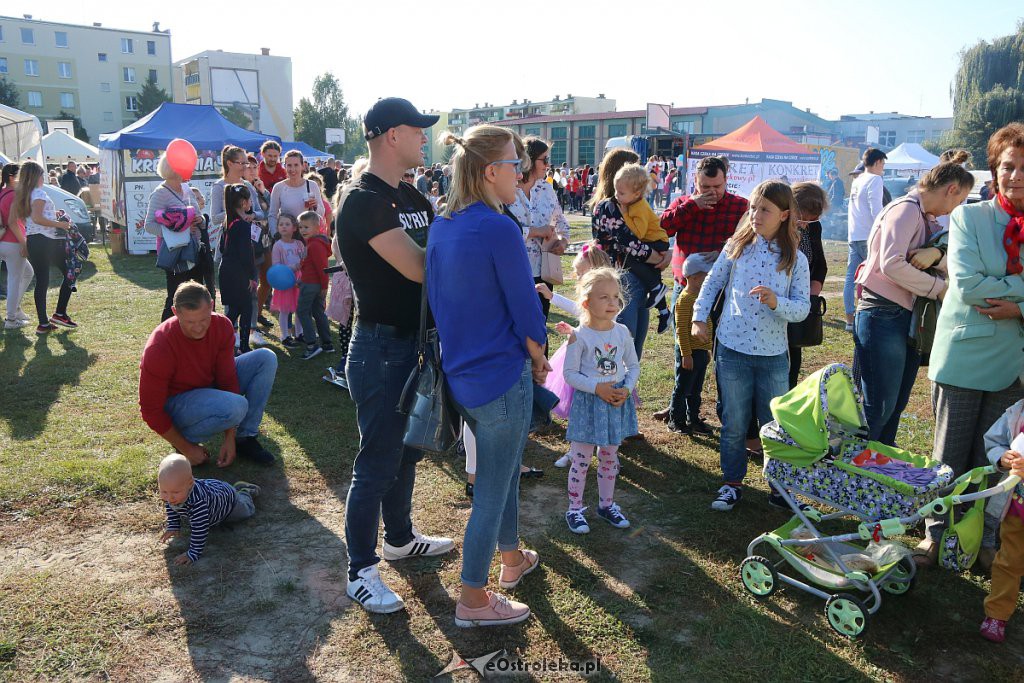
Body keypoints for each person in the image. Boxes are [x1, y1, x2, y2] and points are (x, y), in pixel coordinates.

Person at [427, 124, 549, 628]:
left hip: (462, 375)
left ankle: (512, 558)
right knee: (494, 486)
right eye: (515, 163)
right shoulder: (497, 227)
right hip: (499, 375)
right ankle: (473, 598)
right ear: (488, 170)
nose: (520, 172)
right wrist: (540, 356)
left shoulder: (444, 222)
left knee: (501, 473)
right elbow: (525, 307)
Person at [337, 97, 453, 615]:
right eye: (416, 129)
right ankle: (360, 569)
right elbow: (420, 266)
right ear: (390, 136)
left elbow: (441, 249)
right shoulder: (363, 201)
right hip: (380, 348)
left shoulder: (410, 193)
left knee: (406, 450)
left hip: (414, 343)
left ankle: (400, 539)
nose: (424, 137)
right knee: (378, 460)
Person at [919, 123, 1024, 569]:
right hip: (965, 357)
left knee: (996, 461)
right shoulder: (969, 217)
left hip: (1015, 364)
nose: (1016, 175)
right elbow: (968, 285)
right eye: (1008, 166)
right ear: (994, 171)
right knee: (950, 458)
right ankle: (933, 536)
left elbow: (995, 290)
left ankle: (981, 541)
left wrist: (1017, 305)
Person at [692, 180, 810, 512]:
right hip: (732, 350)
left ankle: (780, 488)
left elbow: (801, 309)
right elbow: (713, 281)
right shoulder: (738, 246)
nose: (756, 215)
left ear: (784, 215)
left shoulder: (795, 260)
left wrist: (777, 303)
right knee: (734, 421)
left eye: (765, 210)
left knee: (775, 426)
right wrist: (699, 317)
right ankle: (731, 483)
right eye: (753, 207)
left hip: (773, 356)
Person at [854, 163, 973, 446]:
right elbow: (891, 264)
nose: (957, 207)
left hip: (898, 315)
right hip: (883, 312)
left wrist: (936, 257)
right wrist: (939, 290)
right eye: (959, 200)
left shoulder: (920, 215)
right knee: (878, 405)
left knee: (894, 403)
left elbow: (946, 261)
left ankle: (879, 464)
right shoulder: (906, 210)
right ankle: (854, 468)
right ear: (951, 189)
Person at [653, 155, 749, 424]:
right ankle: (678, 406)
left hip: (723, 292)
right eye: (706, 187)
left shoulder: (740, 206)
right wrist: (692, 206)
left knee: (718, 350)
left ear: (726, 180)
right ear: (695, 181)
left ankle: (720, 408)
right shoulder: (684, 203)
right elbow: (663, 227)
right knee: (682, 347)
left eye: (717, 187)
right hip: (685, 288)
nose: (712, 193)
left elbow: (751, 240)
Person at [139, 281, 277, 466]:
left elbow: (227, 378)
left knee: (266, 358)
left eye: (204, 319)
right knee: (237, 405)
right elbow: (150, 410)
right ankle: (185, 437)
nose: (198, 328)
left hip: (208, 388)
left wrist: (230, 436)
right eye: (189, 322)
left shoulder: (222, 326)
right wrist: (187, 447)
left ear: (211, 306)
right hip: (179, 403)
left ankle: (245, 438)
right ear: (175, 312)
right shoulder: (159, 346)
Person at [561, 267, 639, 534]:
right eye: (604, 297)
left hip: (615, 404)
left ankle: (606, 505)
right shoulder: (578, 335)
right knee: (580, 460)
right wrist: (597, 388)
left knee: (609, 458)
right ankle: (574, 509)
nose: (613, 303)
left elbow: (633, 366)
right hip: (589, 405)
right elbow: (569, 374)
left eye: (616, 297)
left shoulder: (622, 332)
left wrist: (626, 389)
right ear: (586, 303)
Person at [591, 148, 667, 359]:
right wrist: (658, 257)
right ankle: (619, 389)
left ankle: (628, 390)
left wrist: (664, 252)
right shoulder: (608, 206)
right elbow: (630, 242)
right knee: (623, 344)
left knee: (635, 345)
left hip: (635, 277)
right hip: (619, 279)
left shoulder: (631, 205)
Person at [209, 146, 269, 345]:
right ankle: (231, 333)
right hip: (231, 248)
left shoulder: (248, 186)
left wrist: (250, 216)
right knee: (232, 293)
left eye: (247, 163)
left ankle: (251, 329)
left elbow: (260, 213)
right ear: (229, 164)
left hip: (250, 246)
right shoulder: (219, 187)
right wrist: (235, 214)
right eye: (242, 163)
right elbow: (215, 217)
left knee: (251, 288)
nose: (246, 166)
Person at [507, 136, 570, 321]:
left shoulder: (547, 190)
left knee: (540, 328)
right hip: (513, 272)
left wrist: (563, 243)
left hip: (543, 274)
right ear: (529, 160)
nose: (548, 165)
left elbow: (562, 224)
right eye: (545, 160)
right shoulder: (508, 189)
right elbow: (503, 231)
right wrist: (536, 231)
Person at [157, 453, 260, 565]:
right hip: (213, 493)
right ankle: (236, 492)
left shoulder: (198, 503)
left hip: (228, 502)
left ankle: (244, 491)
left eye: (175, 492)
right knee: (175, 501)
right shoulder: (173, 494)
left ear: (190, 484)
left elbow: (200, 529)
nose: (169, 497)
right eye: (164, 491)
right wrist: (173, 525)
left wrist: (193, 553)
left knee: (246, 512)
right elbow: (171, 507)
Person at [11, 161, 76, 333]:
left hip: (35, 240)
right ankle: (59, 313)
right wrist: (59, 224)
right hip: (46, 240)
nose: (43, 177)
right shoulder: (38, 193)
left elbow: (31, 219)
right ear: (36, 176)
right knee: (71, 271)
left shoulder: (26, 194)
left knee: (42, 281)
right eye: (41, 174)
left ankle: (44, 322)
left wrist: (53, 216)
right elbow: (38, 218)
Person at [979, 401, 1024, 643]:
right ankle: (997, 614)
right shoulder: (1016, 414)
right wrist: (1002, 457)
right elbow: (995, 441)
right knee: (1009, 562)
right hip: (1018, 511)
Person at [143, 154, 205, 322]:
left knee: (198, 294)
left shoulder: (187, 189)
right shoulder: (160, 193)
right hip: (175, 254)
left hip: (194, 250)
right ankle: (165, 334)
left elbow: (200, 218)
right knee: (176, 297)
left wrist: (200, 220)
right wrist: (177, 231)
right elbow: (149, 225)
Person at [613, 163, 672, 333]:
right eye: (616, 191)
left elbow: (637, 233)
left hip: (656, 241)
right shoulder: (634, 202)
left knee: (631, 260)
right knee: (651, 275)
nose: (617, 196)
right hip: (652, 241)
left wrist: (623, 214)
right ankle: (663, 311)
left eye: (621, 193)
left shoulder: (638, 207)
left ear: (637, 193)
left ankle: (657, 289)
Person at [668, 253, 715, 434]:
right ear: (694, 278)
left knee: (696, 389)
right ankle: (676, 420)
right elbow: (681, 330)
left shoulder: (701, 298)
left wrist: (707, 349)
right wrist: (686, 355)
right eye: (705, 277)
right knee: (682, 388)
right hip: (690, 354)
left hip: (700, 352)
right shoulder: (685, 300)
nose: (708, 280)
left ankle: (693, 418)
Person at [789, 182, 830, 388]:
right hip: (777, 298)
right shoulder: (776, 224)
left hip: (800, 299)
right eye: (803, 219)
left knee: (794, 356)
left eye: (812, 221)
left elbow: (820, 265)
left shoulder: (814, 227)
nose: (806, 224)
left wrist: (812, 297)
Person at [844, 148, 887, 331]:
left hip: (854, 234)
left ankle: (849, 319)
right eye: (883, 165)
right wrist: (884, 230)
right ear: (877, 162)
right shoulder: (875, 179)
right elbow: (876, 209)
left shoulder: (858, 179)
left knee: (850, 278)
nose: (883, 169)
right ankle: (868, 315)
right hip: (869, 235)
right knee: (873, 278)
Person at [218, 184, 259, 355]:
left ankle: (220, 340)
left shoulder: (228, 222)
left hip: (227, 270)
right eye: (249, 200)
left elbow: (222, 248)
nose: (251, 203)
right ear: (243, 203)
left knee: (235, 308)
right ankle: (243, 346)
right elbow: (245, 253)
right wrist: (251, 276)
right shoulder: (242, 226)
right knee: (246, 308)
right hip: (239, 272)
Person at [296, 210, 334, 359]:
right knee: (318, 311)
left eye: (306, 227)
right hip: (311, 283)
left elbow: (322, 268)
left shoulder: (315, 245)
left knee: (302, 312)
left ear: (317, 228)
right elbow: (311, 266)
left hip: (312, 285)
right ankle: (327, 343)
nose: (302, 230)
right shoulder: (313, 243)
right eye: (300, 227)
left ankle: (312, 344)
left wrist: (324, 287)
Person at [0, 162, 33, 329]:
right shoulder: (14, 195)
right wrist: (23, 243)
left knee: (28, 273)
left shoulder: (2, 192)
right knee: (14, 280)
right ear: (13, 177)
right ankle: (11, 319)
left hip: (3, 242)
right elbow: (13, 222)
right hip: (13, 242)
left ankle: (16, 310)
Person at [268, 151, 324, 238]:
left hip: (307, 237)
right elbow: (272, 215)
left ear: (302, 166)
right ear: (285, 167)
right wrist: (275, 235)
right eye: (289, 165)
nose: (292, 169)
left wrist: (316, 205)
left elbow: (321, 214)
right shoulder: (278, 187)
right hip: (287, 238)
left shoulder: (312, 185)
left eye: (296, 165)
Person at [270, 213, 304, 347]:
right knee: (285, 309)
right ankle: (285, 336)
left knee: (300, 308)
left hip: (299, 281)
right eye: (281, 224)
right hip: (285, 280)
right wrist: (292, 268)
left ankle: (299, 333)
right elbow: (276, 265)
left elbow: (304, 260)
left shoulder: (299, 244)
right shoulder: (278, 246)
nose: (283, 227)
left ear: (294, 228)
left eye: (287, 224)